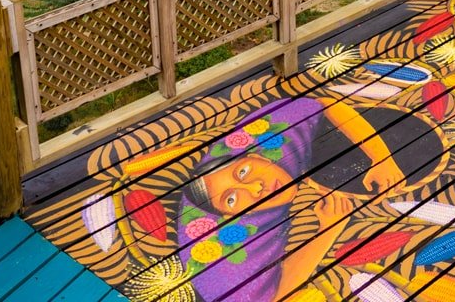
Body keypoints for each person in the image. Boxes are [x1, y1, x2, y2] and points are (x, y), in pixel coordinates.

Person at [173, 93, 413, 302]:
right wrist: (330, 228)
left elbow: (324, 104)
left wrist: (382, 158)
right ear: (232, 215)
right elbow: (276, 295)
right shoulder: (230, 259)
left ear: (260, 158)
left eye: (244, 172)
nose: (255, 187)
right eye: (232, 199)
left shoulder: (271, 143)